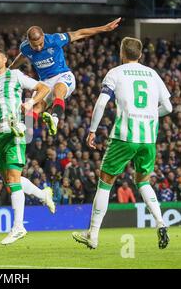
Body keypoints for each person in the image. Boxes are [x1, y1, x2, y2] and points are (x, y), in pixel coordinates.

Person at [72, 37, 172, 250]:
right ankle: (161, 222)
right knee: (143, 182)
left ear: (122, 53)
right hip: (148, 139)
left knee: (105, 182)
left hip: (124, 136)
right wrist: (151, 115)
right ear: (141, 54)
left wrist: (92, 131)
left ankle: (93, 234)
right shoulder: (153, 74)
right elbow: (169, 108)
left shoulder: (116, 72)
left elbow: (101, 103)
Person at [0, 48, 55, 246]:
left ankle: (18, 227)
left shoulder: (15, 75)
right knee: (10, 181)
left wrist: (31, 102)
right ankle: (43, 194)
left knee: (14, 179)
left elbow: (44, 88)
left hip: (14, 132)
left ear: (6, 59)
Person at [10, 18, 121, 136]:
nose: (38, 48)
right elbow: (22, 56)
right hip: (45, 82)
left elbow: (79, 33)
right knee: (37, 107)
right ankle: (22, 127)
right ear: (28, 41)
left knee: (58, 89)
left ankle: (55, 119)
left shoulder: (54, 39)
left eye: (41, 44)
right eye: (34, 46)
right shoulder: (25, 47)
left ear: (43, 36)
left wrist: (104, 28)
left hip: (62, 75)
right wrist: (9, 69)